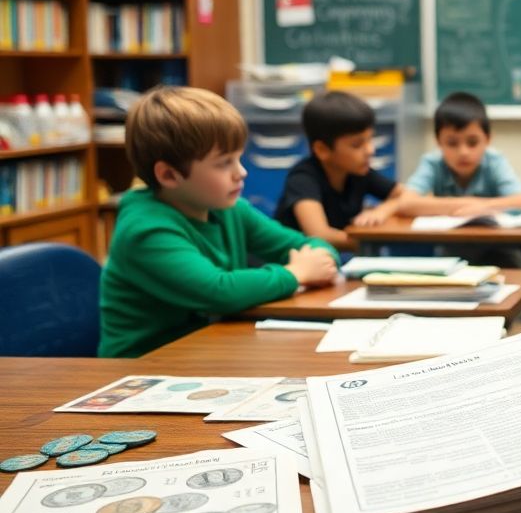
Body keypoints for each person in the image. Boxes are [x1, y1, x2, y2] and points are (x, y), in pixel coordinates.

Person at [100, 87, 338, 358]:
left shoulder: (229, 208)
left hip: (205, 353)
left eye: (238, 158)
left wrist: (321, 260)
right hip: (142, 370)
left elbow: (310, 245)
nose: (242, 172)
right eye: (224, 163)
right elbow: (219, 290)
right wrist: (297, 273)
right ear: (169, 175)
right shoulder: (145, 230)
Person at [273, 91, 403, 251]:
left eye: (370, 139)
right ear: (322, 150)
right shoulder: (302, 179)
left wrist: (382, 210)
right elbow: (320, 235)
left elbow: (403, 196)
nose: (370, 150)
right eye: (357, 145)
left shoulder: (358, 171)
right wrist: (372, 241)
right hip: (289, 266)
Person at [398, 91, 521, 216]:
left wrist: (480, 208)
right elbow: (405, 203)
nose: (463, 152)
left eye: (472, 143)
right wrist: (472, 204)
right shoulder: (432, 162)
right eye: (452, 143)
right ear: (438, 142)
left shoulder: (495, 161)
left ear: (488, 139)